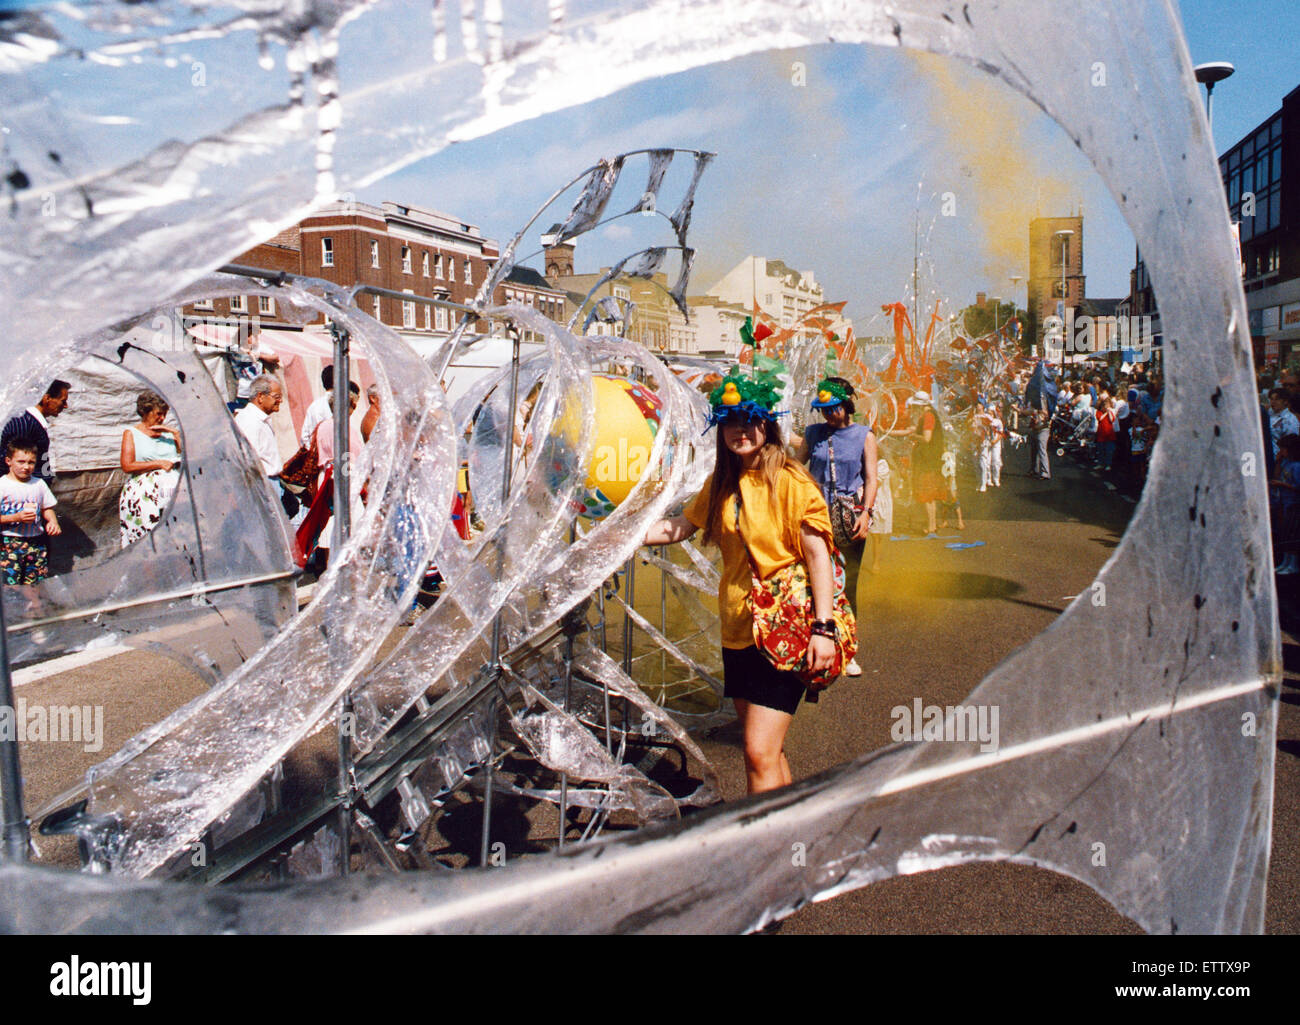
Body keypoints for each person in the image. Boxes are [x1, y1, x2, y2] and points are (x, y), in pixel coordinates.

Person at [643, 363, 838, 796]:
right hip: (738, 631)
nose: (740, 431)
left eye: (749, 421)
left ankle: (761, 853)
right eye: (730, 422)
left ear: (766, 426)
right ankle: (789, 840)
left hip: (785, 629)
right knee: (769, 752)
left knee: (756, 751)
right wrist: (624, 536)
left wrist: (824, 630)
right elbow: (679, 527)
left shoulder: (791, 481)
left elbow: (818, 557)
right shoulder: (723, 483)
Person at [795, 376, 876, 676]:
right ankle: (812, 643)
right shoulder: (813, 433)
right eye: (823, 410)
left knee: (847, 584)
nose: (827, 415)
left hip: (848, 518)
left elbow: (871, 479)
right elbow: (795, 466)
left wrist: (866, 514)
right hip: (814, 518)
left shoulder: (864, 436)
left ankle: (848, 647)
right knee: (811, 581)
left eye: (832, 409)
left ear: (846, 405)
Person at [119, 390, 183, 547]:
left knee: (176, 538)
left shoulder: (168, 435)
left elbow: (187, 457)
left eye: (164, 414)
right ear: (145, 412)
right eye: (158, 414)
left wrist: (174, 432)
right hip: (145, 495)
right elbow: (127, 465)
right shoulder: (131, 433)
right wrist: (158, 463)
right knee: (149, 542)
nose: (162, 418)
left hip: (171, 494)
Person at [0, 440, 61, 586]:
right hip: (9, 543)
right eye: (21, 462)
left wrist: (53, 521)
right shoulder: (3, 485)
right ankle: (12, 609)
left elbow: (47, 507)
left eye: (31, 462)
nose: (26, 467)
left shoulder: (38, 484)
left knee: (36, 585)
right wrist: (16, 517)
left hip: (36, 542)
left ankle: (35, 608)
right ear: (8, 461)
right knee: (10, 586)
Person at [1, 379, 71, 484]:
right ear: (47, 398)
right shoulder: (24, 423)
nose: (66, 406)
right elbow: (11, 463)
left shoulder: (35, 424)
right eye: (63, 401)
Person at [906, 391, 946, 534]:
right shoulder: (931, 414)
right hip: (931, 460)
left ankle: (931, 525)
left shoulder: (928, 416)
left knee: (927, 494)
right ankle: (932, 524)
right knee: (930, 495)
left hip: (928, 460)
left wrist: (914, 436)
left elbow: (927, 438)